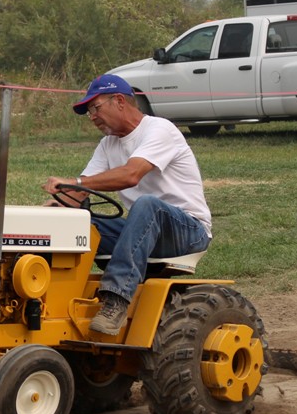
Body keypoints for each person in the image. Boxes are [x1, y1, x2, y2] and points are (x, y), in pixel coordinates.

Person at [42, 74, 212, 335]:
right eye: (88, 112)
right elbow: (81, 190)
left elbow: (130, 175)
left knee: (147, 205)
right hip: (143, 230)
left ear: (119, 100)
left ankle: (116, 301)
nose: (92, 117)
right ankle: (45, 296)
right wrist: (47, 214)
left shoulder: (160, 129)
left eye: (95, 108)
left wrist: (73, 181)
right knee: (76, 221)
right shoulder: (108, 144)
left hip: (187, 231)